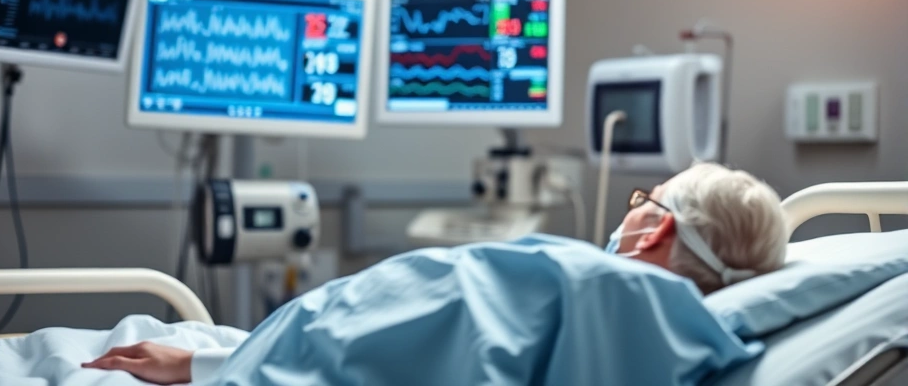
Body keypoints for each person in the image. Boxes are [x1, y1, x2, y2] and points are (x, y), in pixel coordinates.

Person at [83, 162, 788, 385]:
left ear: (657, 226)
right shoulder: (674, 338)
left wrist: (219, 372)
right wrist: (206, 362)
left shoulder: (592, 284)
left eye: (646, 201)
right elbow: (399, 346)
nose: (632, 212)